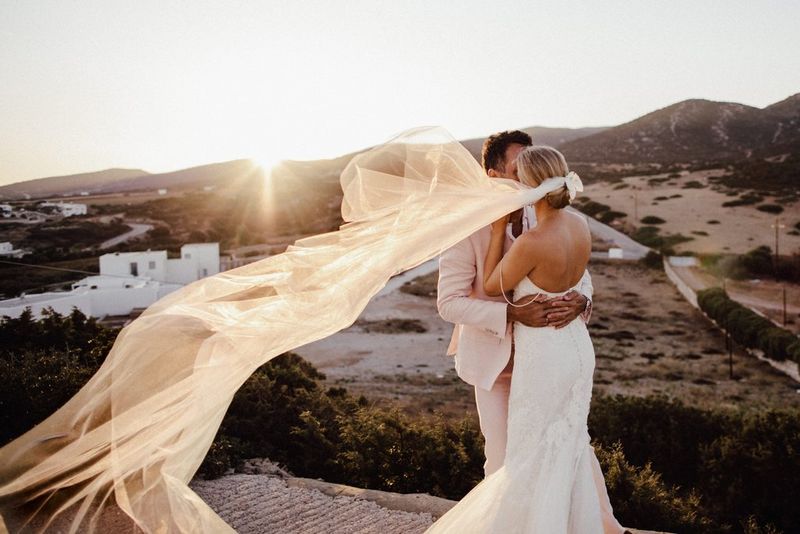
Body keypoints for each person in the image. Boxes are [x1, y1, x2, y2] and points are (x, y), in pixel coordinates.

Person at [431, 143, 625, 533]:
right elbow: (448, 303)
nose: (524, 179)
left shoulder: (548, 220)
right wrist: (509, 313)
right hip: (496, 364)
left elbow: (582, 276)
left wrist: (581, 299)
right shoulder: (466, 230)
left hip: (549, 356)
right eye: (517, 169)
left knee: (567, 448)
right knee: (506, 460)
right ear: (495, 177)